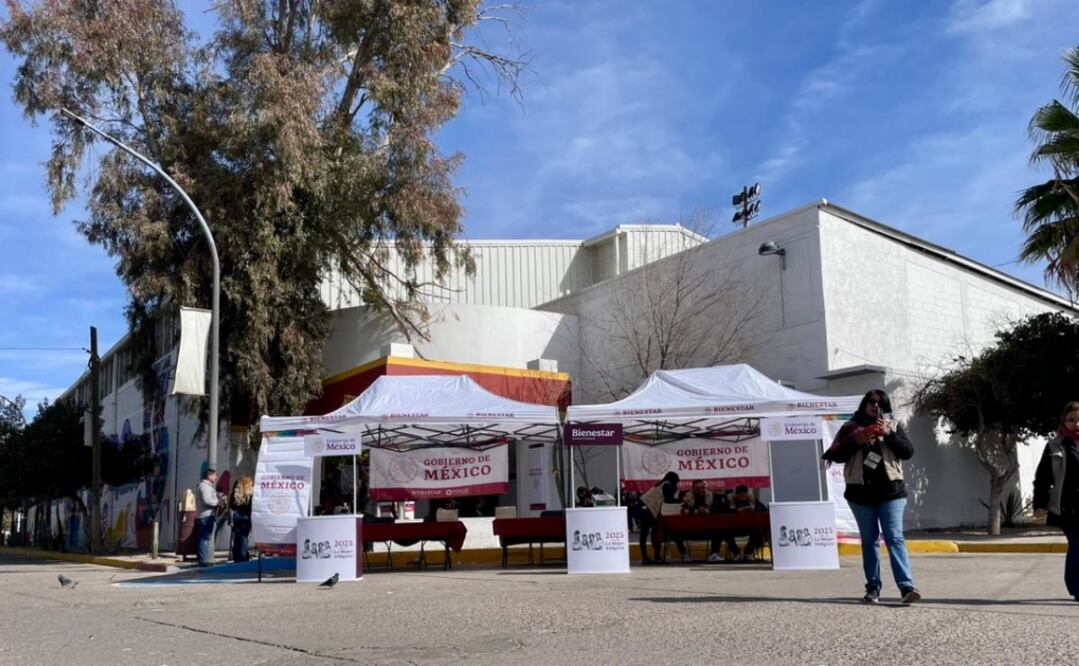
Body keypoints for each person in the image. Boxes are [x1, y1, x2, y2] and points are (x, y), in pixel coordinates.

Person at [823, 389, 920, 604]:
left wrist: (889, 434)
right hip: (860, 494)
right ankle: (873, 588)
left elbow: (907, 452)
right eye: (871, 402)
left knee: (894, 538)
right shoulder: (850, 427)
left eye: (881, 403)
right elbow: (836, 454)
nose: (875, 406)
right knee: (869, 541)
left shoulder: (891, 425)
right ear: (864, 404)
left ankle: (906, 587)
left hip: (892, 492)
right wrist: (855, 441)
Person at [1033, 401, 1079, 601]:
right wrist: (1040, 504)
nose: (1076, 424)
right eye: (1071, 420)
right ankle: (1076, 586)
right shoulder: (1055, 445)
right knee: (1078, 543)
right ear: (1064, 421)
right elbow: (1042, 477)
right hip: (1068, 505)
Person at [638, 471, 680, 564]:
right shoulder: (667, 485)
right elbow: (669, 500)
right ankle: (656, 557)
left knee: (645, 535)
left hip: (645, 509)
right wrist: (680, 501)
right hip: (650, 510)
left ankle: (645, 558)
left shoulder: (661, 484)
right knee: (655, 534)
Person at [718, 485, 768, 562]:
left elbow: (763, 509)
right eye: (740, 495)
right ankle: (736, 552)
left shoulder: (752, 499)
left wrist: (754, 509)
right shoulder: (730, 500)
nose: (743, 496)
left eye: (744, 494)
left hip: (749, 527)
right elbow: (721, 510)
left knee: (759, 532)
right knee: (725, 532)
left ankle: (748, 552)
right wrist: (736, 511)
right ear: (737, 495)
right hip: (734, 527)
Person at [673, 479, 715, 563]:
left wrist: (706, 511)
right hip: (690, 528)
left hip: (707, 527)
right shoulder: (686, 496)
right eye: (697, 488)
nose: (700, 490)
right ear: (693, 489)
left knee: (721, 529)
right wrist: (695, 511)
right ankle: (684, 554)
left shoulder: (711, 495)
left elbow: (717, 509)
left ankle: (714, 554)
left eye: (702, 488)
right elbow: (679, 509)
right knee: (675, 531)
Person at [195, 468, 219, 567]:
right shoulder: (205, 487)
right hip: (206, 515)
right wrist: (218, 502)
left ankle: (202, 559)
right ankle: (203, 560)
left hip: (204, 515)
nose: (216, 477)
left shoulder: (205, 486)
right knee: (205, 538)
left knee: (203, 538)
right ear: (209, 476)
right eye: (214, 475)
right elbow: (207, 500)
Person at [230, 474, 254, 562]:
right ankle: (243, 556)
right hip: (246, 516)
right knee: (244, 537)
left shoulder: (236, 492)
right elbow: (252, 506)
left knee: (237, 537)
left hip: (237, 515)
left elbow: (231, 505)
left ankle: (236, 556)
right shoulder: (250, 494)